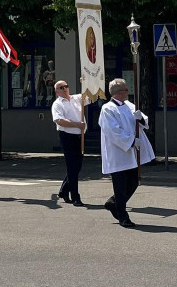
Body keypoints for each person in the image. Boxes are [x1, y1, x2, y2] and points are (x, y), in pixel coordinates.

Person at [98, 77, 154, 228]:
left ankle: (113, 202)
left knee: (134, 181)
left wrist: (140, 118)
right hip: (118, 153)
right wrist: (130, 141)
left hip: (131, 153)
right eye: (126, 90)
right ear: (117, 92)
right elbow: (113, 131)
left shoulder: (128, 105)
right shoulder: (108, 109)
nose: (128, 92)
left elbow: (142, 121)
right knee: (120, 185)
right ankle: (123, 216)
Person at [51, 79, 86, 206]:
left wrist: (86, 83)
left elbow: (92, 96)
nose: (65, 88)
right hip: (67, 136)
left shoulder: (77, 98)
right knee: (72, 166)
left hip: (79, 136)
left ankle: (64, 190)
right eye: (61, 87)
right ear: (56, 91)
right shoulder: (57, 104)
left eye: (66, 86)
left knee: (77, 166)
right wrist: (77, 124)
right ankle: (75, 196)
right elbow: (59, 120)